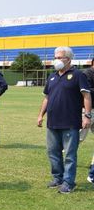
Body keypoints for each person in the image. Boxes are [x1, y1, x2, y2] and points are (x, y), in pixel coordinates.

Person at [37, 46, 92, 194]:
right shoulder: (52, 76)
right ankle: (57, 178)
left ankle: (69, 182)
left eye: (60, 57)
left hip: (70, 122)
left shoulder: (78, 75)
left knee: (69, 154)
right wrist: (41, 115)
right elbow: (47, 97)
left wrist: (87, 116)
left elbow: (87, 96)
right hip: (52, 122)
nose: (57, 60)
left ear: (69, 59)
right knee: (53, 152)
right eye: (55, 57)